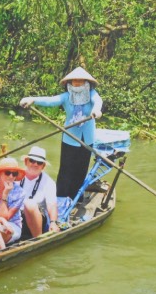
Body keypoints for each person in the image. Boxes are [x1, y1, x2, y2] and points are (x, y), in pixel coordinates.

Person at [19, 67, 103, 199]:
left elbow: (98, 102)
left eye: (80, 81)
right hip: (70, 137)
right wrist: (32, 99)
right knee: (66, 169)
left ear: (86, 82)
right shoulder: (66, 96)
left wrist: (96, 110)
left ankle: (76, 197)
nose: (76, 83)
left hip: (87, 138)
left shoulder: (92, 94)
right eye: (74, 81)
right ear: (69, 82)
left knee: (81, 169)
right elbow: (51, 100)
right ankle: (61, 197)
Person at [18, 146, 60, 238]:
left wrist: (53, 222)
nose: (35, 164)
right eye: (32, 160)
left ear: (43, 166)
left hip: (35, 217)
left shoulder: (49, 182)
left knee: (29, 204)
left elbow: (52, 204)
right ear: (26, 162)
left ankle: (37, 238)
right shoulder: (13, 174)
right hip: (15, 215)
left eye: (39, 162)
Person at [0, 157, 26, 250]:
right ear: (0, 173)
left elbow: (5, 217)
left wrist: (5, 194)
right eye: (7, 173)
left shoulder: (20, 192)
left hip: (11, 225)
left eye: (14, 174)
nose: (11, 176)